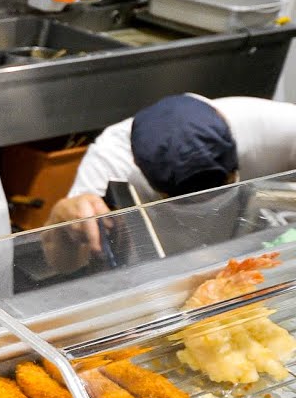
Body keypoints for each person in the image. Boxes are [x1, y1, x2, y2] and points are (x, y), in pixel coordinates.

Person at [44, 94, 296, 272]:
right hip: (157, 279)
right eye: (189, 201)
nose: (203, 205)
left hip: (261, 265)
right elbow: (64, 264)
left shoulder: (274, 127)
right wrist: (61, 221)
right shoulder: (111, 161)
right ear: (137, 164)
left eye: (217, 194)